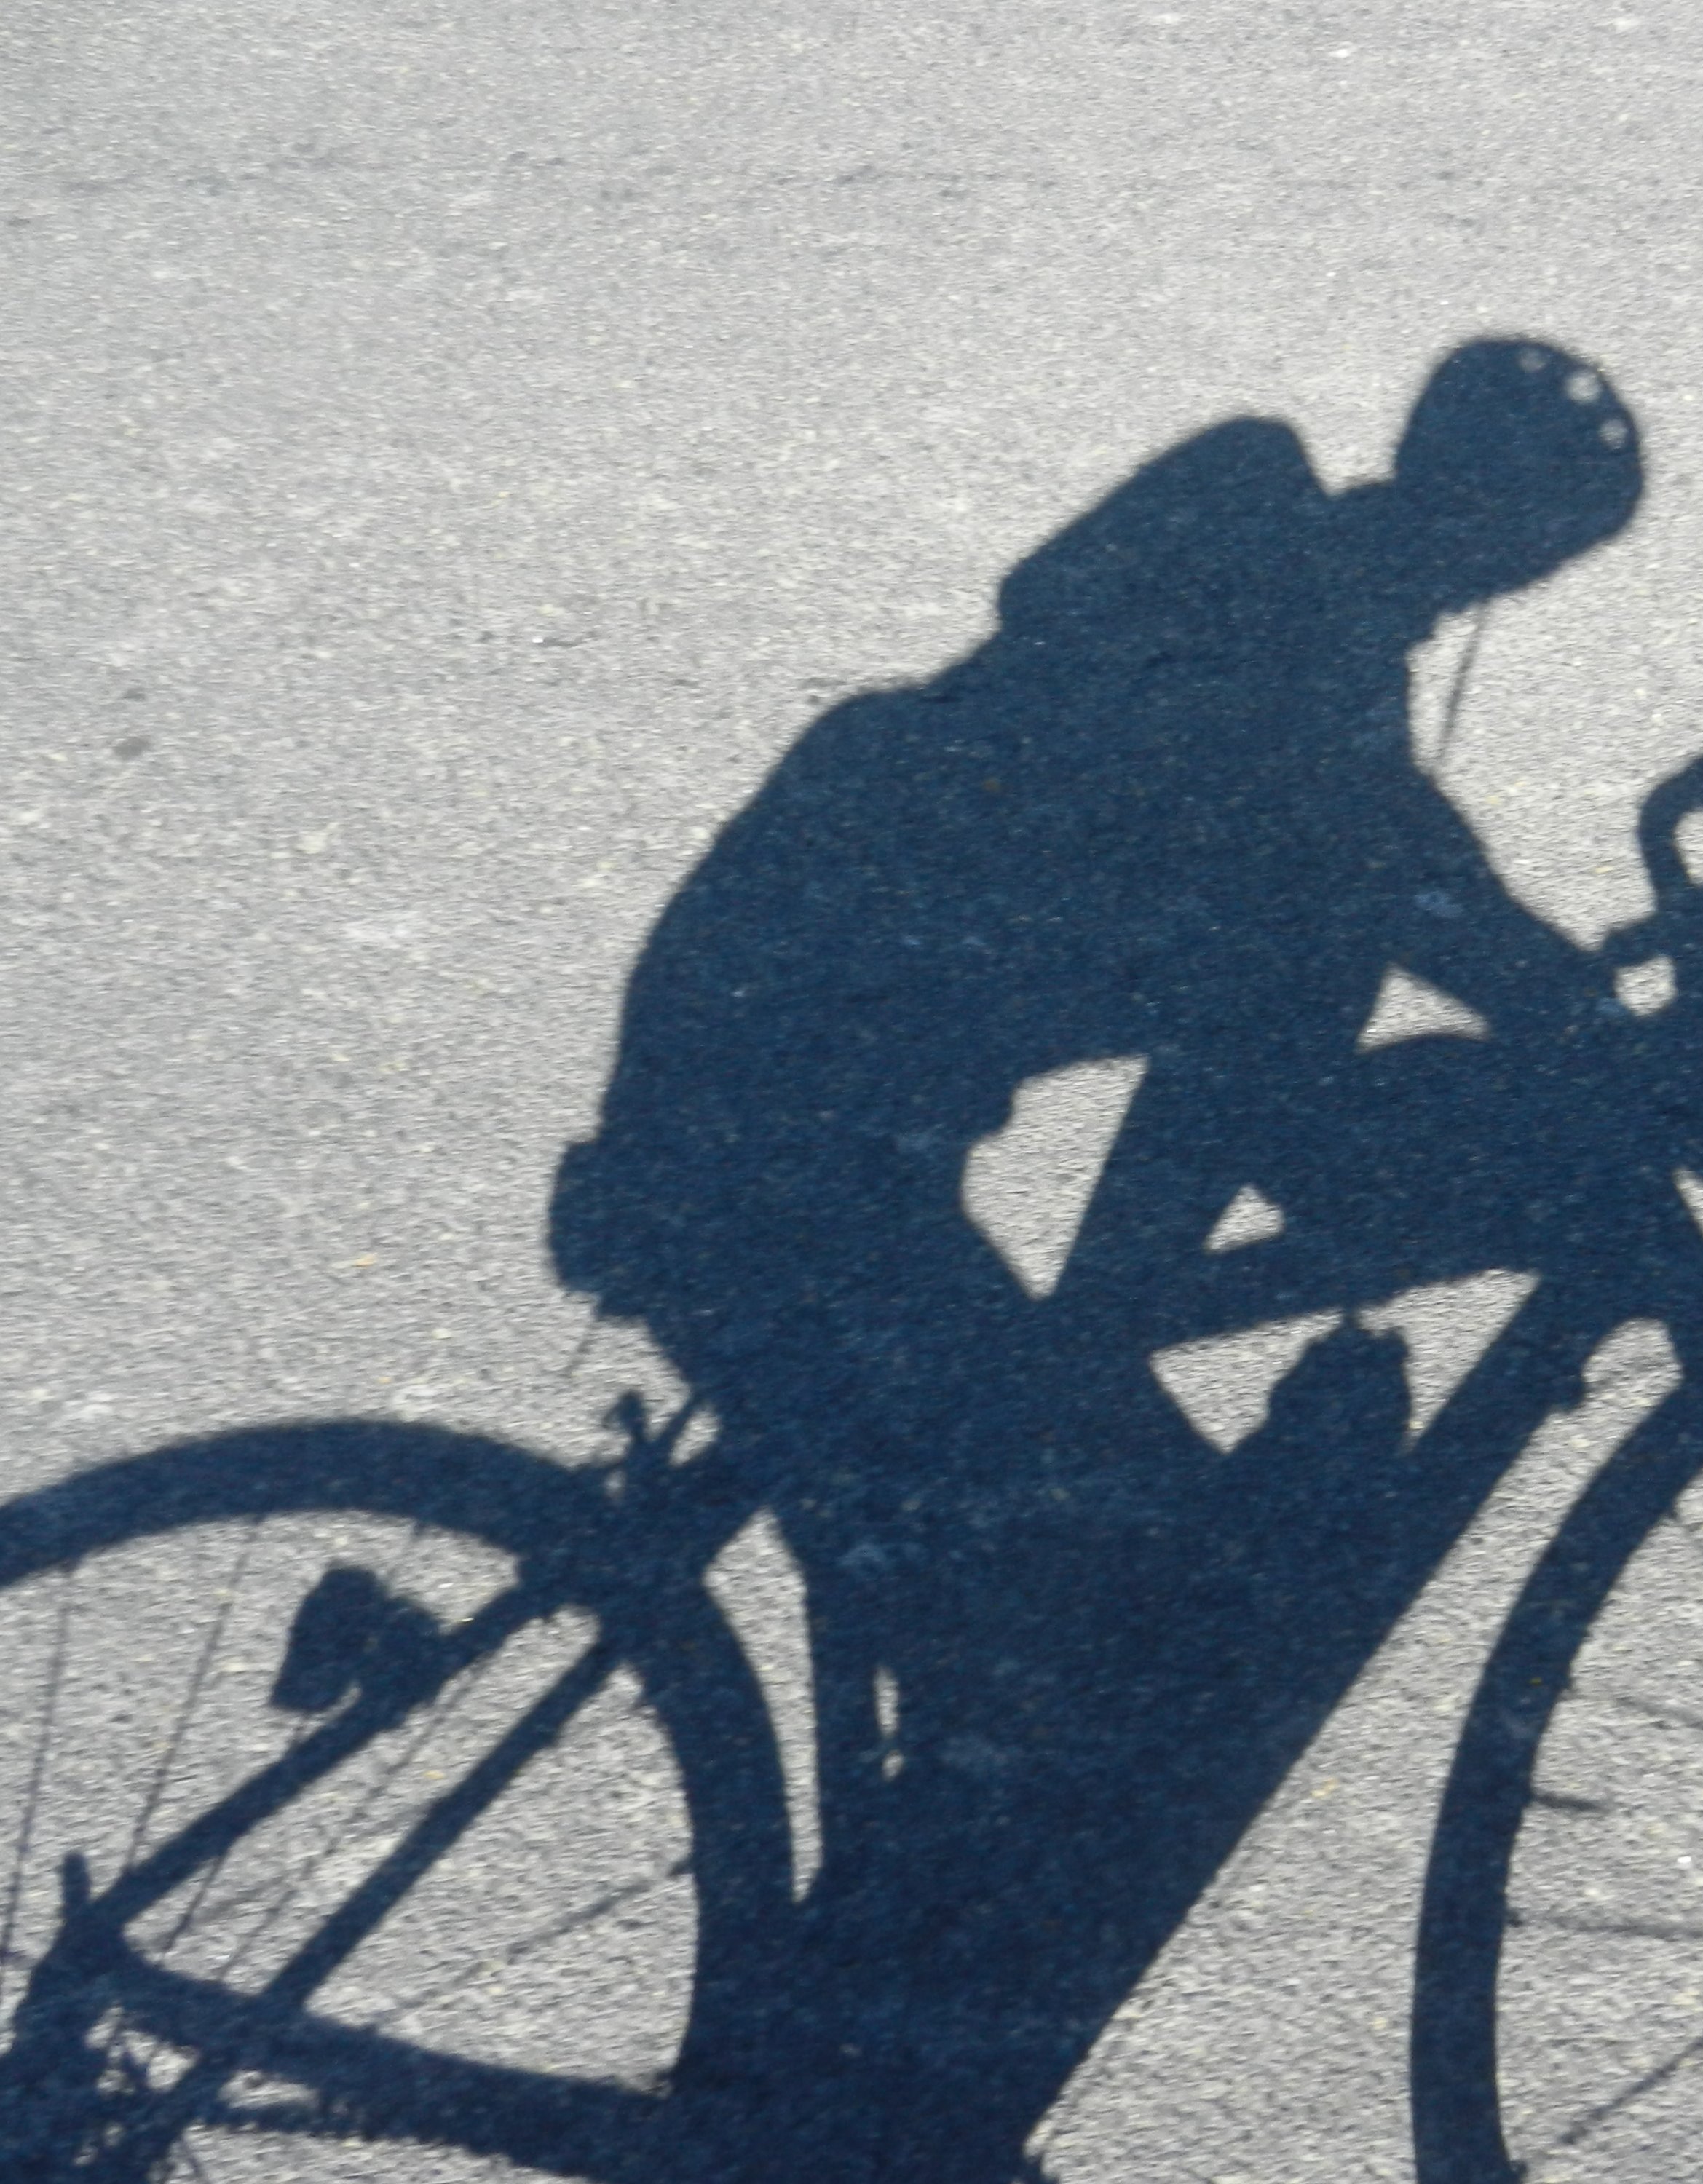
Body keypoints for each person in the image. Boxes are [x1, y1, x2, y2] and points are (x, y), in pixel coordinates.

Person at [547, 339, 1644, 2177]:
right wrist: (1587, 1046)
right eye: (1514, 534)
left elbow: (1265, 1094)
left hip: (818, 1140)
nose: (1494, 570)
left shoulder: (1323, 708)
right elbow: (1366, 911)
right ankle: (828, 2100)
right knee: (1110, 1627)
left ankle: (864, 2087)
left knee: (1121, 1596)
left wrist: (1107, 1344)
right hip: (775, 1155)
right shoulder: (1271, 594)